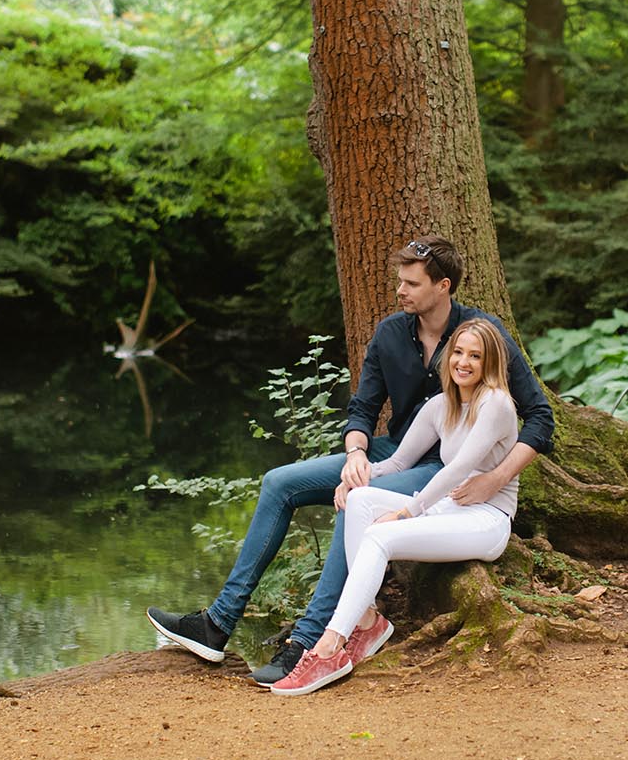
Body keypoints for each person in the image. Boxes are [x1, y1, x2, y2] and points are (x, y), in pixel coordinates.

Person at [146, 236, 554, 685]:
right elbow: (362, 408)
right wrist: (356, 455)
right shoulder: (391, 333)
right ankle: (217, 623)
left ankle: (310, 637)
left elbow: (539, 418)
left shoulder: (481, 336)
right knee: (279, 482)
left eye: (411, 283)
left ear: (442, 286)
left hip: (447, 472)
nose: (400, 291)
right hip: (398, 454)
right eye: (399, 281)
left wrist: (497, 477)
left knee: (358, 501)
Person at [270, 318, 521, 695]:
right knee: (361, 500)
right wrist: (354, 476)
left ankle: (329, 646)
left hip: (488, 520)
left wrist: (409, 511)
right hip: (452, 509)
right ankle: (367, 619)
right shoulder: (442, 405)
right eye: (458, 352)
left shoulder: (497, 403)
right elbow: (399, 463)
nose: (463, 362)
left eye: (475, 356)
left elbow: (459, 468)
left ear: (490, 363)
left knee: (380, 537)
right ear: (447, 356)